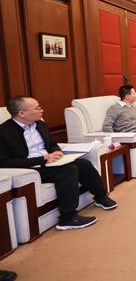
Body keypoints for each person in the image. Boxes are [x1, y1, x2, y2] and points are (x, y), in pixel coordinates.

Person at [0, 96, 117, 230]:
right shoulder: (4, 132)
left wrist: (56, 151)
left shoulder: (40, 124)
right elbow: (4, 162)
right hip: (31, 168)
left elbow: (52, 143)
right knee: (69, 170)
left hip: (50, 162)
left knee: (83, 164)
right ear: (21, 113)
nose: (42, 110)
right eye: (37, 108)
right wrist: (43, 159)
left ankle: (101, 197)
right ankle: (67, 218)